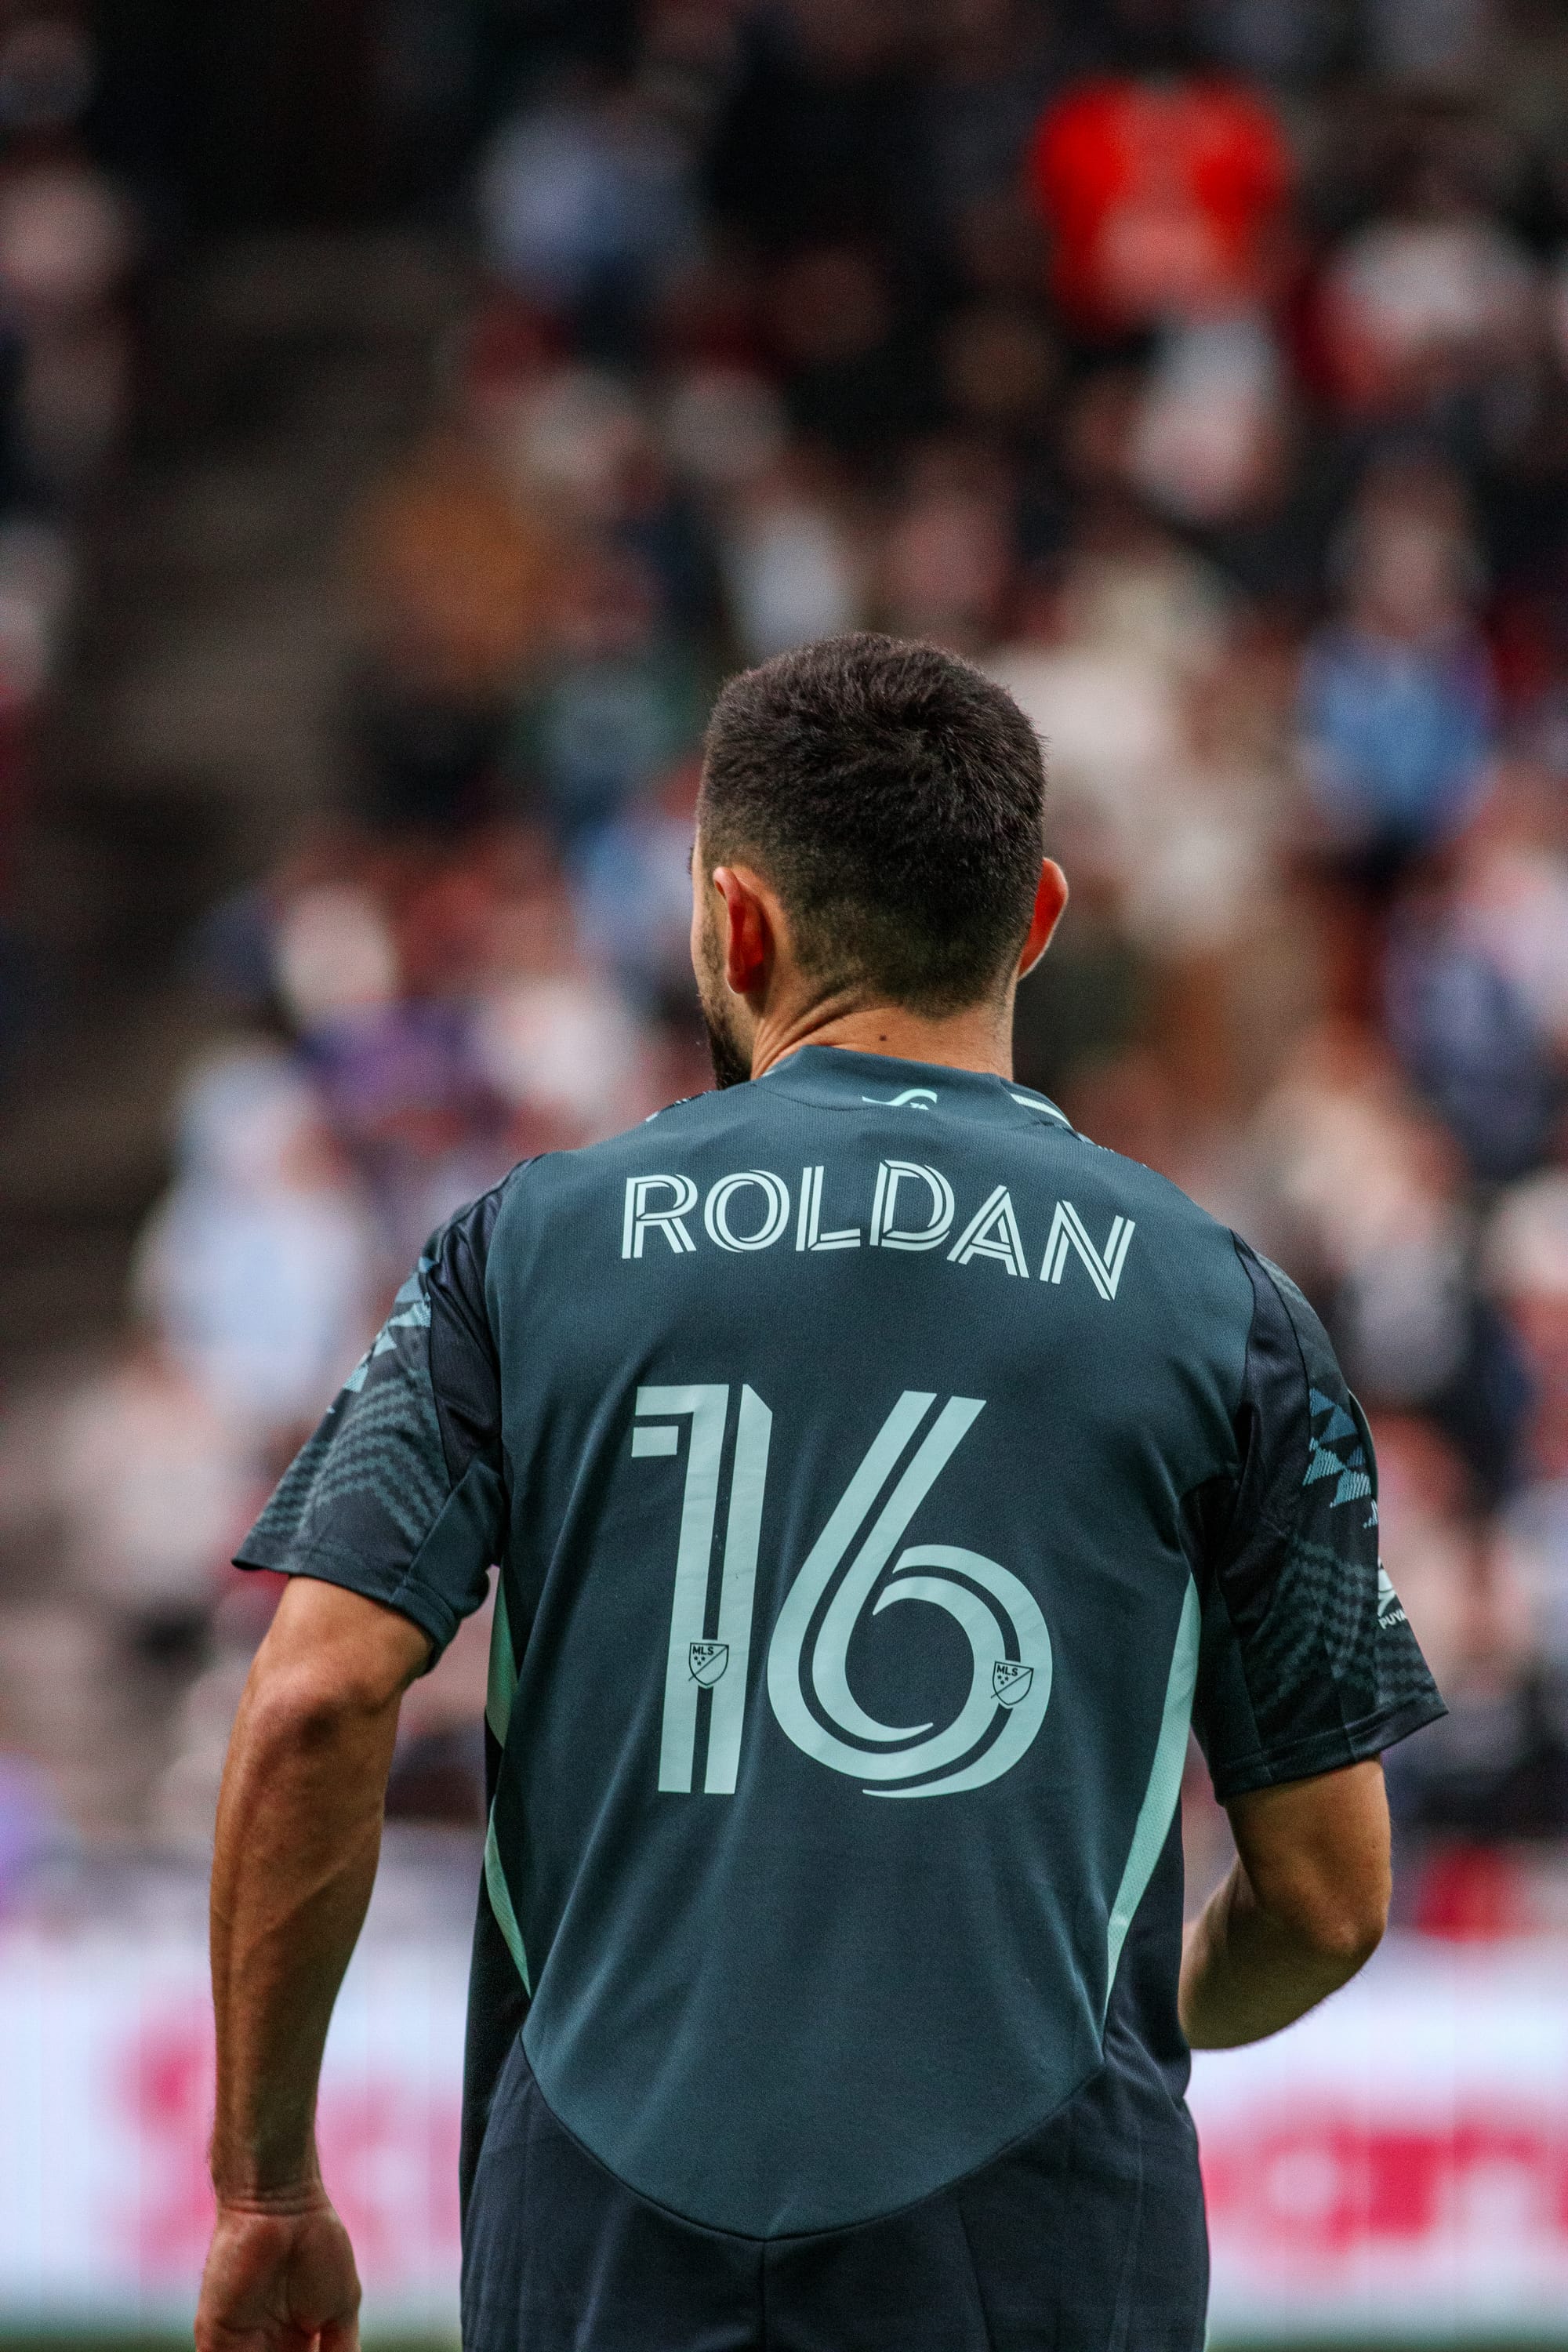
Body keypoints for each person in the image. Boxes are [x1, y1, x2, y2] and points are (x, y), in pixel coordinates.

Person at [196, 633, 1443, 2352]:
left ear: (737, 926)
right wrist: (1138, 2012)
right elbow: (1329, 1896)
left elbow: (314, 1700)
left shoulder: (523, 1252)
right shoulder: (1224, 1308)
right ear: (1037, 920)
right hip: (1036, 2232)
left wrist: (267, 2192)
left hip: (602, 2217)